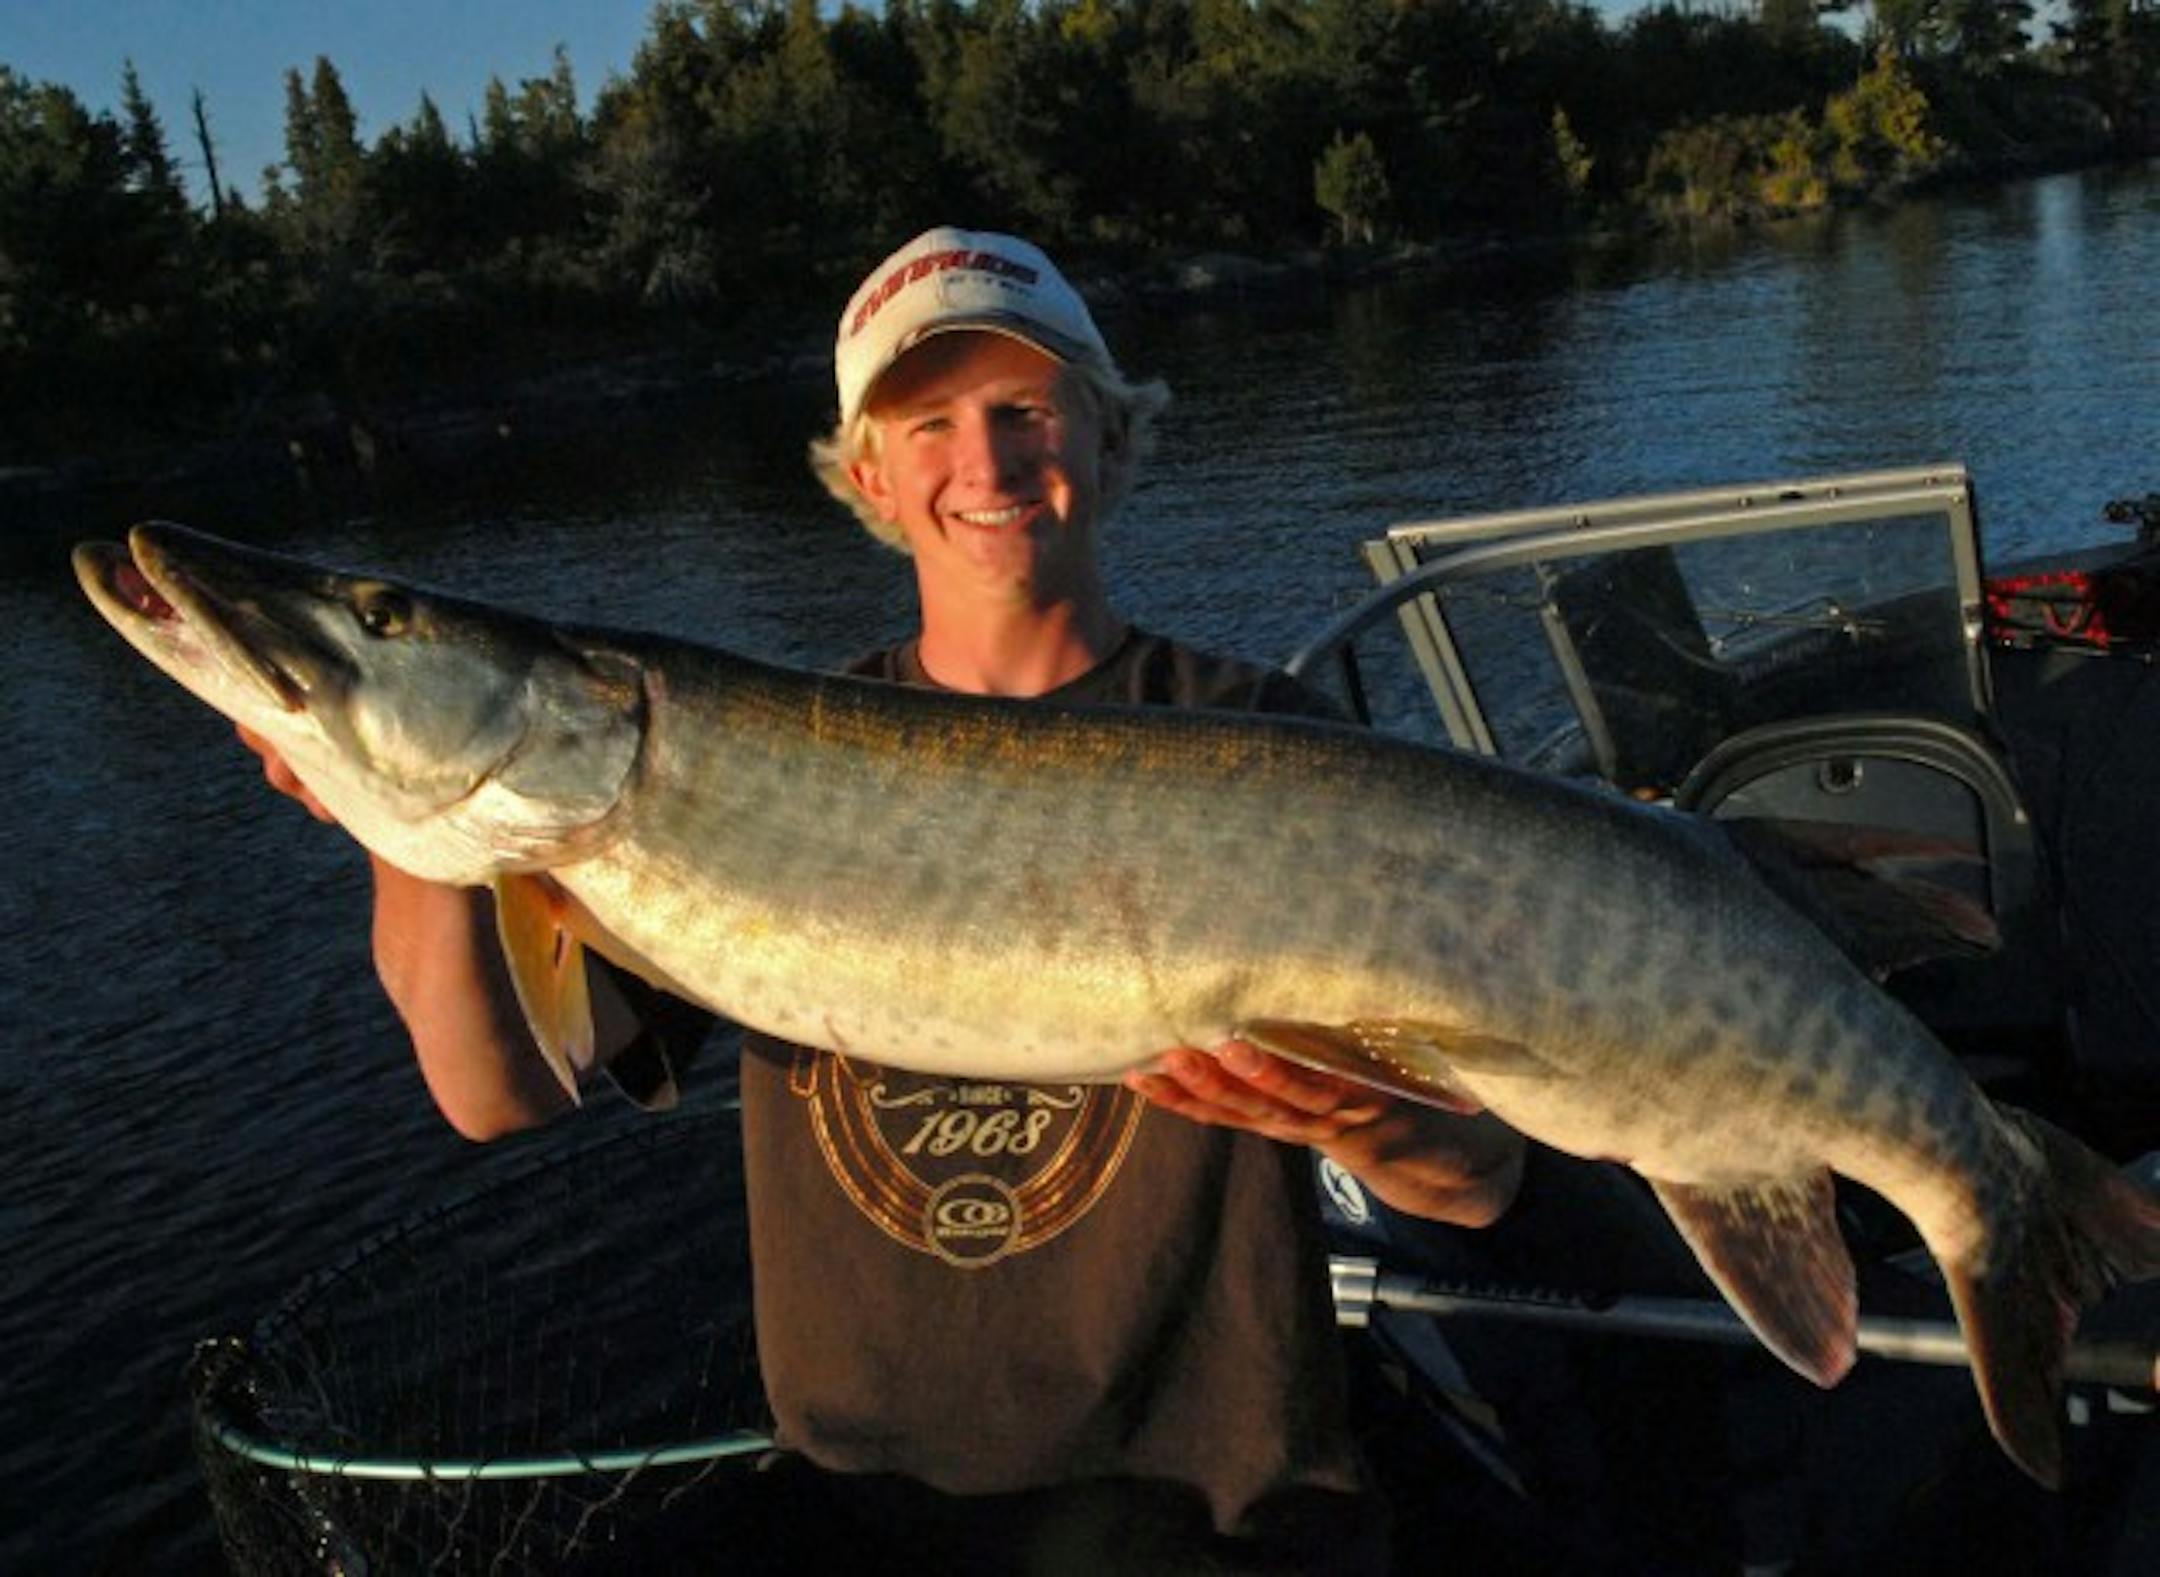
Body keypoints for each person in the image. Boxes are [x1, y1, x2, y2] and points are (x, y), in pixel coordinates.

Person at [239, 227, 1714, 1574]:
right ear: (868, 479)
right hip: (861, 1499)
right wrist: (395, 806)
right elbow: (492, 1090)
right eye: (929, 426)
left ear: (1109, 435)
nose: (987, 462)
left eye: (1026, 409)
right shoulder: (707, 771)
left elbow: (1462, 1155)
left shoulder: (1266, 735)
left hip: (1208, 1502)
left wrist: (1398, 1134)